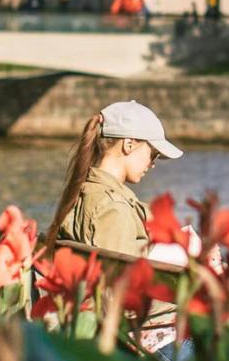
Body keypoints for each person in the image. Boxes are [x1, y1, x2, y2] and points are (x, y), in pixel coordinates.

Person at [43, 100, 188, 261]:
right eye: (153, 154)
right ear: (129, 144)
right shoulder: (113, 209)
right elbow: (119, 280)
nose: (152, 164)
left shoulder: (83, 191)